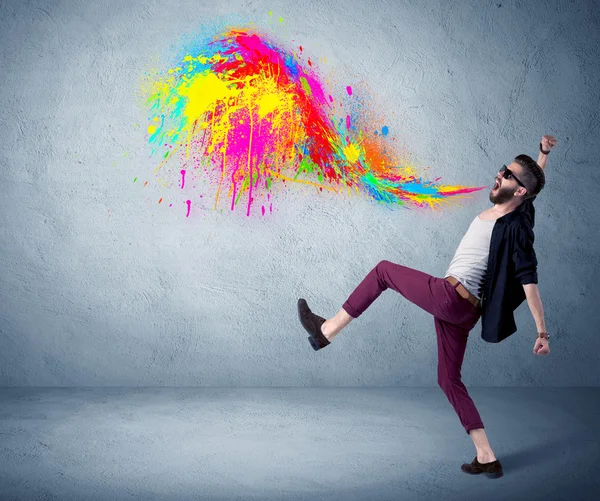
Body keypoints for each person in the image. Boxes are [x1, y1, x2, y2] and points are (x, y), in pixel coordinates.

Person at [297, 134, 557, 479]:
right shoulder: (520, 203)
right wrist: (542, 155)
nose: (499, 176)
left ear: (519, 191)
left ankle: (326, 331)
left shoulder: (515, 227)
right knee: (449, 379)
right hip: (462, 311)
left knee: (384, 271)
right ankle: (486, 456)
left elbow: (529, 282)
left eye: (507, 176)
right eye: (502, 170)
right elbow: (534, 186)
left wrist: (542, 331)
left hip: (451, 297)